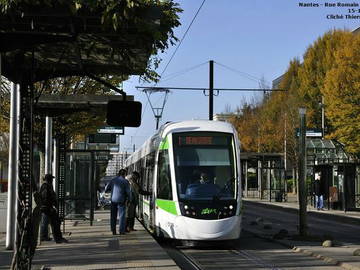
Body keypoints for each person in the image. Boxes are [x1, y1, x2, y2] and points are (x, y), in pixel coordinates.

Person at [39, 174, 68, 243]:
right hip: (47, 208)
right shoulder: (45, 187)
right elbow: (46, 198)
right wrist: (50, 207)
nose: (52, 180)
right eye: (51, 179)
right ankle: (52, 237)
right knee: (51, 223)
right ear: (48, 179)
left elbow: (52, 197)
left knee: (52, 223)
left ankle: (50, 237)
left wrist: (54, 205)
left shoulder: (49, 186)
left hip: (49, 208)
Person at [105, 169, 130, 235]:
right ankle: (121, 231)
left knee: (113, 216)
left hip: (113, 200)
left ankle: (113, 230)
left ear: (118, 174)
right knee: (121, 216)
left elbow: (106, 189)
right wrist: (130, 199)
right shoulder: (125, 181)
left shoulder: (113, 180)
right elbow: (128, 192)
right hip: (121, 200)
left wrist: (112, 189)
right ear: (124, 174)